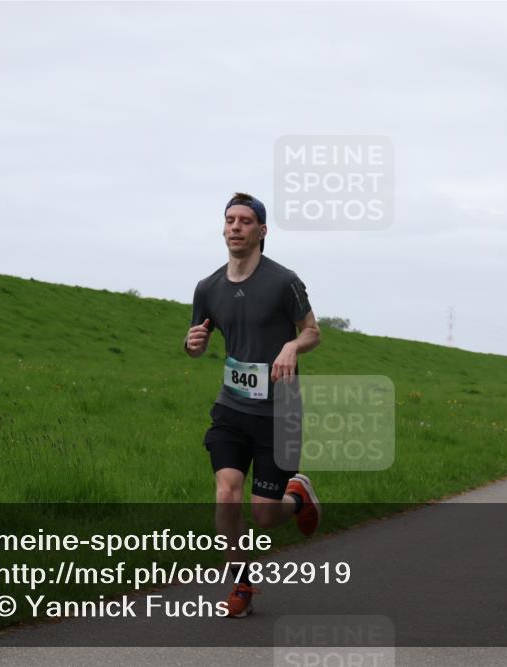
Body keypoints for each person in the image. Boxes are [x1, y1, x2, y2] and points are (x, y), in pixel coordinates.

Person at [185, 192, 322, 618]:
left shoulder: (283, 281)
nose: (235, 227)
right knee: (226, 493)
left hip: (279, 414)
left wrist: (291, 346)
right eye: (230, 220)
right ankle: (241, 584)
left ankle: (297, 497)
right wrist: (193, 344)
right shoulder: (208, 288)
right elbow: (195, 342)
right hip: (231, 409)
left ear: (262, 231)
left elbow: (313, 332)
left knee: (265, 516)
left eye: (245, 221)